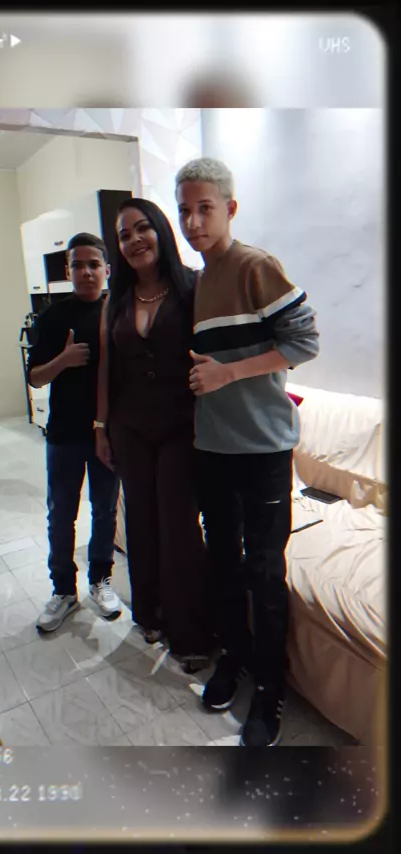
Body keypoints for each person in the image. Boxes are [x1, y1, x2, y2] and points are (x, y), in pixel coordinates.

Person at [175, 157, 320, 746]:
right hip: (212, 448)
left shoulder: (256, 266)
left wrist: (229, 373)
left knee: (264, 568)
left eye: (204, 208)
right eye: (184, 211)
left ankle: (270, 687)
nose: (193, 221)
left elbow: (305, 341)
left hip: (263, 450)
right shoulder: (195, 283)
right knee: (224, 563)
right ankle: (234, 657)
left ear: (229, 208)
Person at [95, 198, 214, 669]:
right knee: (141, 522)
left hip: (181, 427)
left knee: (179, 525)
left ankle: (192, 633)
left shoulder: (193, 287)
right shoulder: (117, 300)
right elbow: (108, 368)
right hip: (129, 428)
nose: (134, 240)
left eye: (142, 228)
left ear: (161, 231)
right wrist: (102, 427)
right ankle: (150, 613)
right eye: (124, 235)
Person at [27, 233, 122, 633]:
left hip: (108, 434)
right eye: (78, 265)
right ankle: (64, 590)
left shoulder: (118, 314)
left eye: (93, 264)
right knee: (61, 514)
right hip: (64, 434)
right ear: (68, 271)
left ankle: (101, 580)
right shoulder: (53, 317)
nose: (86, 272)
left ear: (107, 270)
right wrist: (63, 360)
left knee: (105, 510)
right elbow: (34, 378)